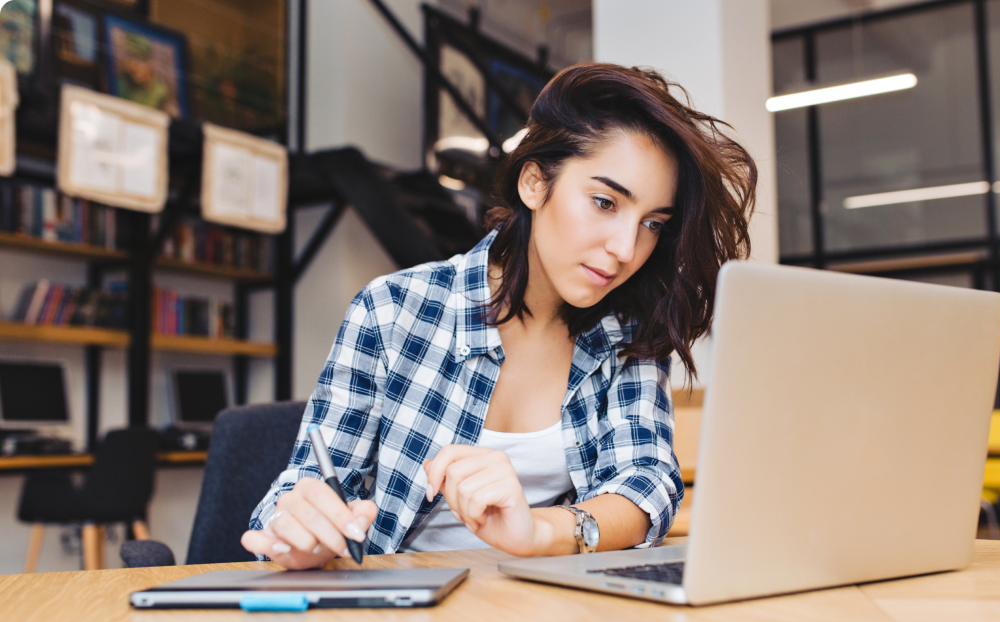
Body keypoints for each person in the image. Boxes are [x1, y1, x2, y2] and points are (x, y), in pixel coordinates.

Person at [242, 63, 757, 569]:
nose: (626, 247)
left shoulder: (629, 331)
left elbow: (646, 484)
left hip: (546, 614)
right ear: (534, 183)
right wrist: (302, 529)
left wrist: (541, 531)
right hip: (396, 618)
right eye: (604, 202)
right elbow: (298, 487)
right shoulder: (393, 310)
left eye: (652, 224)